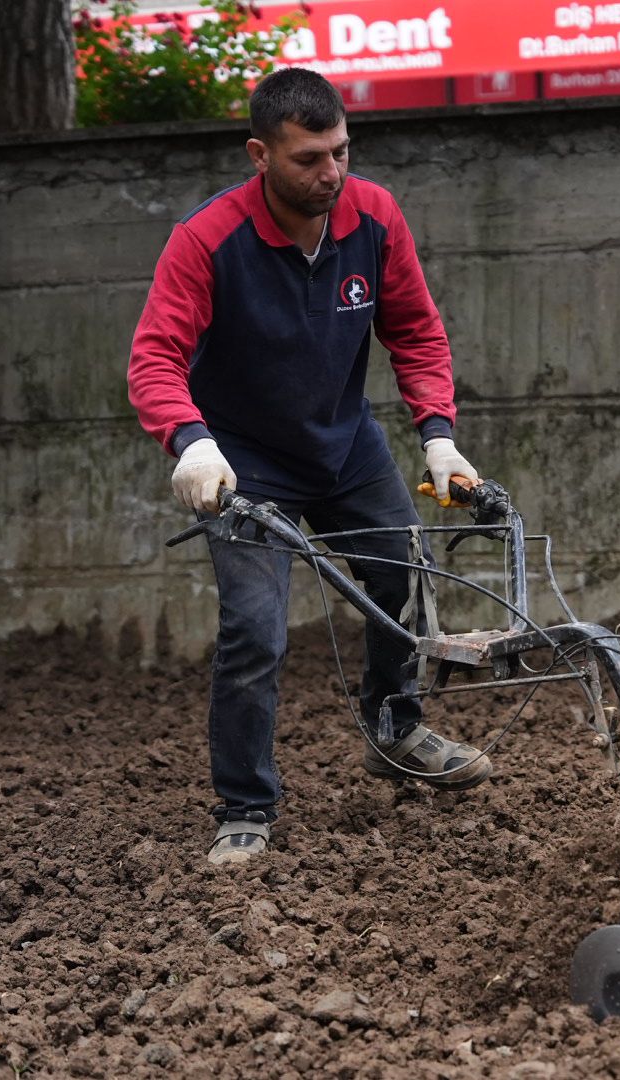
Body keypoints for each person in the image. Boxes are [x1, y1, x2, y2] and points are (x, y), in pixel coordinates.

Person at [127, 68, 491, 866]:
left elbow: (418, 333)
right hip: (243, 461)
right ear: (260, 154)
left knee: (401, 581)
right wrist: (190, 440)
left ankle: (394, 730)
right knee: (255, 630)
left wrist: (437, 434)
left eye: (341, 152)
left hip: (344, 443)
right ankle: (245, 806)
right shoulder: (207, 240)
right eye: (309, 159)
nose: (331, 173)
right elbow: (154, 357)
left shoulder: (372, 214)